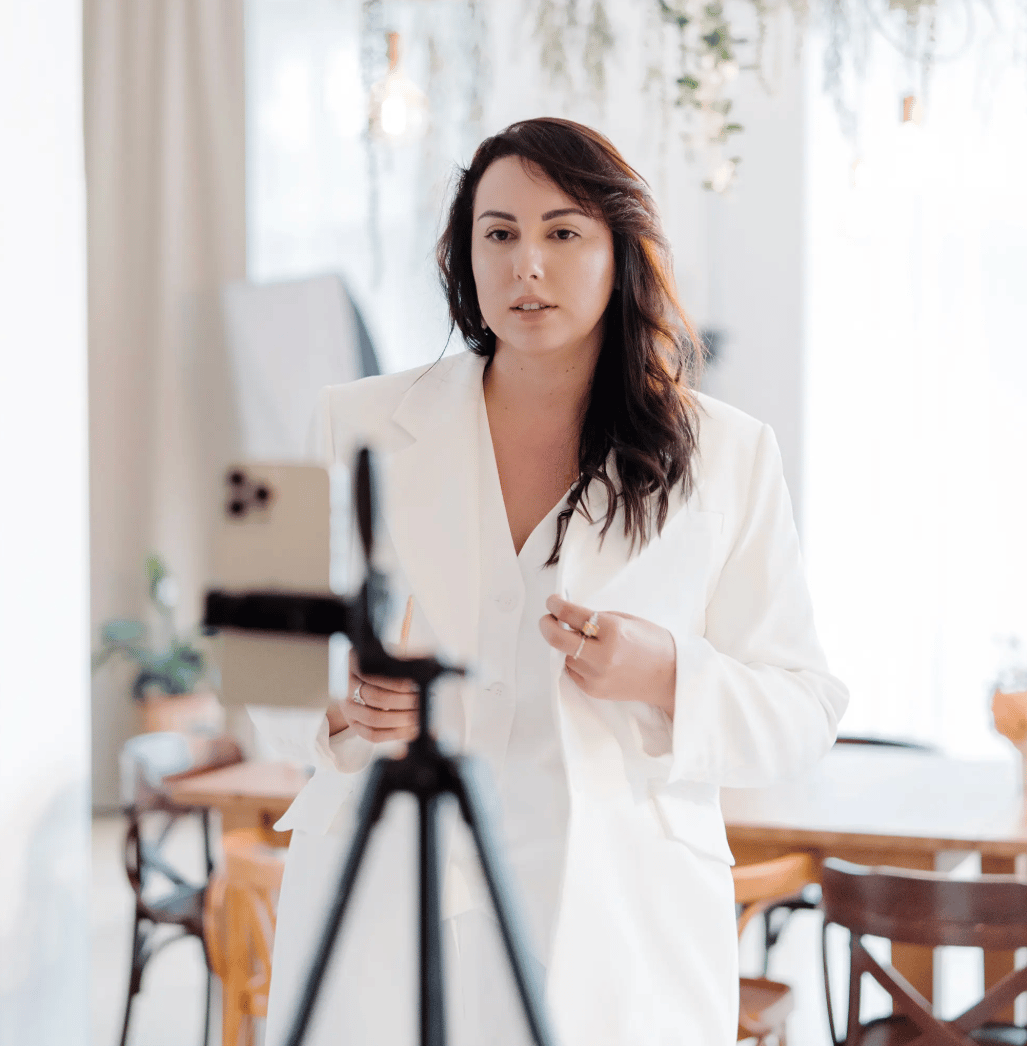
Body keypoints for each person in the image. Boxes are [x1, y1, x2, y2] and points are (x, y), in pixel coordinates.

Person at [263, 117, 848, 1046]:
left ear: (621, 251)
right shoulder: (350, 417)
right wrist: (337, 704)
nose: (525, 264)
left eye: (562, 232)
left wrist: (666, 672)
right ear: (466, 255)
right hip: (392, 895)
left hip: (620, 921)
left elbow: (806, 709)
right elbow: (263, 667)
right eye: (498, 234)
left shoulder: (732, 454)